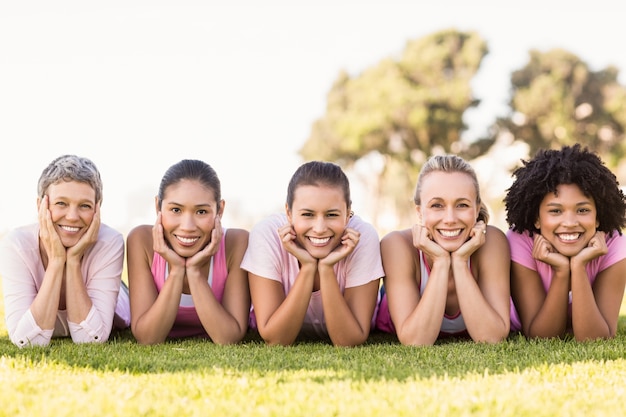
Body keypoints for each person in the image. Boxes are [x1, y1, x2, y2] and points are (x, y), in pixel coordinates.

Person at [241, 161, 384, 346]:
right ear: (289, 212)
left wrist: (325, 269)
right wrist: (308, 267)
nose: (319, 228)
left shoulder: (363, 237)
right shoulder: (267, 235)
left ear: (348, 213)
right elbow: (276, 339)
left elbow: (349, 340)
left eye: (331, 215)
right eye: (308, 214)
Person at [375, 154, 511, 346]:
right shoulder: (396, 245)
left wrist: (460, 262)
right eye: (437, 205)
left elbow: (492, 337)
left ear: (476, 208)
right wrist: (440, 262)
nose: (449, 218)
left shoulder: (493, 242)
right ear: (420, 212)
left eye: (462, 205)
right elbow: (415, 341)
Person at [0, 155, 130, 348]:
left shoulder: (110, 242)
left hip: (120, 296)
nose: (72, 216)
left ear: (97, 210)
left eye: (84, 206)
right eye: (61, 203)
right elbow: (26, 341)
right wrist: (57, 261)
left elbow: (90, 340)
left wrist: (74, 260)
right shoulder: (17, 245)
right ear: (41, 206)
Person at [505, 144, 626, 341]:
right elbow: (542, 337)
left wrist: (578, 267)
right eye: (555, 211)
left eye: (582, 210)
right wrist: (561, 273)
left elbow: (595, 338)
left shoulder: (615, 245)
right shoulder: (520, 241)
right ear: (537, 218)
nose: (569, 223)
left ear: (598, 217)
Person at [126, 159, 250, 345]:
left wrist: (193, 271)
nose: (187, 226)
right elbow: (148, 338)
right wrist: (176, 270)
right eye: (176, 210)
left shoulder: (236, 243)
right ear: (158, 206)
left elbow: (228, 338)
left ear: (220, 210)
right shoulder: (142, 241)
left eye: (201, 212)